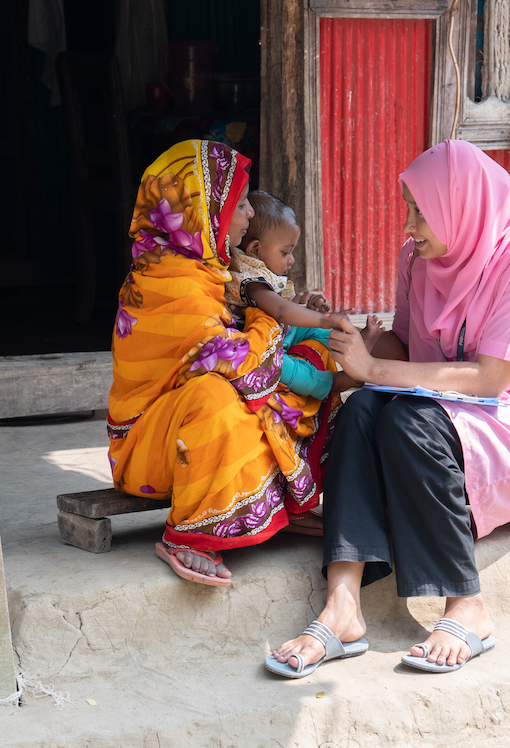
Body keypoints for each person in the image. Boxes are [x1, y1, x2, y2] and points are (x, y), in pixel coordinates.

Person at [267, 140, 510, 677]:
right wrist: (361, 347)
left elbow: (491, 378)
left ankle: (467, 604)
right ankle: (342, 605)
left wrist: (375, 372)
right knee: (362, 412)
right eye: (407, 208)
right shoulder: (417, 260)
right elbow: (408, 347)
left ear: (461, 206)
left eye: (421, 211)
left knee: (404, 419)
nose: (408, 226)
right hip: (449, 407)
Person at [106, 140, 342, 587]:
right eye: (239, 202)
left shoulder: (209, 268)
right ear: (199, 210)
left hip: (182, 427)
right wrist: (266, 313)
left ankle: (283, 504)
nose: (250, 213)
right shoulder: (168, 284)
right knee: (217, 396)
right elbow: (242, 362)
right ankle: (190, 536)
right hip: (147, 450)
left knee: (309, 358)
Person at [227, 190, 380, 400]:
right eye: (285, 252)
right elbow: (280, 310)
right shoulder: (248, 280)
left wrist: (307, 307)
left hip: (281, 333)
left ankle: (352, 346)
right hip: (261, 345)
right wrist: (324, 320)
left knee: (312, 330)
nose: (291, 260)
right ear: (255, 250)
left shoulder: (259, 270)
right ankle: (331, 381)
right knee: (282, 366)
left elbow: (284, 307)